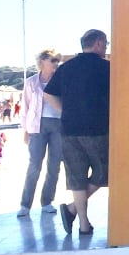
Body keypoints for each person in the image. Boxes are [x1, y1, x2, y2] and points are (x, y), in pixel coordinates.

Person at [44, 29, 110, 235]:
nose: (106, 48)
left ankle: (82, 223)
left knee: (76, 178)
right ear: (98, 43)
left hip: (69, 130)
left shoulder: (66, 67)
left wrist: (65, 111)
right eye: (105, 44)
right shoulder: (106, 68)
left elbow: (48, 94)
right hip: (97, 129)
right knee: (106, 171)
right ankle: (72, 211)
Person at [17, 48, 64, 217]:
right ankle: (25, 204)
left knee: (54, 165)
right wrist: (25, 130)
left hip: (58, 125)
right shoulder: (31, 82)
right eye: (53, 60)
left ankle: (47, 202)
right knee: (34, 164)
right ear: (42, 61)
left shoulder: (61, 80)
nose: (55, 64)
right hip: (37, 126)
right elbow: (25, 107)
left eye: (57, 61)